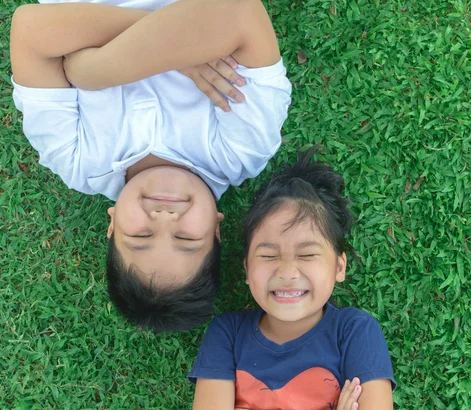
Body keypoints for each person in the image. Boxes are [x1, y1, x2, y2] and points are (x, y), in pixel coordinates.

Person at [9, 0, 292, 331]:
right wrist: (92, 69)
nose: (164, 218)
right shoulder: (241, 149)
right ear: (216, 229)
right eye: (186, 239)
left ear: (112, 227)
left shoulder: (75, 159)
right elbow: (238, 11)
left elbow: (30, 28)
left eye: (141, 234)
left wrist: (181, 44)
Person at [187, 147, 396, 409]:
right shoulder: (227, 333)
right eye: (269, 256)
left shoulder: (355, 331)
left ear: (339, 267)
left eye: (307, 255)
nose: (287, 272)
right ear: (247, 270)